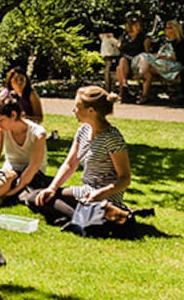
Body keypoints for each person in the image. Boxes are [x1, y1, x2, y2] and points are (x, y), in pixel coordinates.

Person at [28, 86, 130, 225]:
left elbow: (125, 179)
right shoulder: (83, 131)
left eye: (77, 107)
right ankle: (85, 218)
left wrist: (100, 193)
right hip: (86, 192)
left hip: (106, 196)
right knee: (36, 197)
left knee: (38, 198)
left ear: (91, 111)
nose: (73, 111)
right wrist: (52, 188)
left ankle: (86, 217)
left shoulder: (112, 138)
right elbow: (70, 164)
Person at [139, 20, 184, 103]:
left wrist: (164, 56)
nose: (166, 30)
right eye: (166, 28)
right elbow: (154, 53)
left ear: (175, 29)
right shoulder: (162, 41)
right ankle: (145, 95)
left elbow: (180, 58)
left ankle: (140, 75)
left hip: (174, 66)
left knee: (146, 68)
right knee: (145, 62)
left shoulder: (182, 42)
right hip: (159, 64)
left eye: (169, 28)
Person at [112, 15, 153, 101]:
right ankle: (124, 86)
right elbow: (119, 47)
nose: (138, 28)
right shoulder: (124, 37)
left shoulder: (144, 38)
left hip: (138, 63)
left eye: (139, 26)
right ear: (130, 26)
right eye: (136, 26)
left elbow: (147, 53)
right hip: (126, 62)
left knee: (119, 68)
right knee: (121, 63)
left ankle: (124, 91)